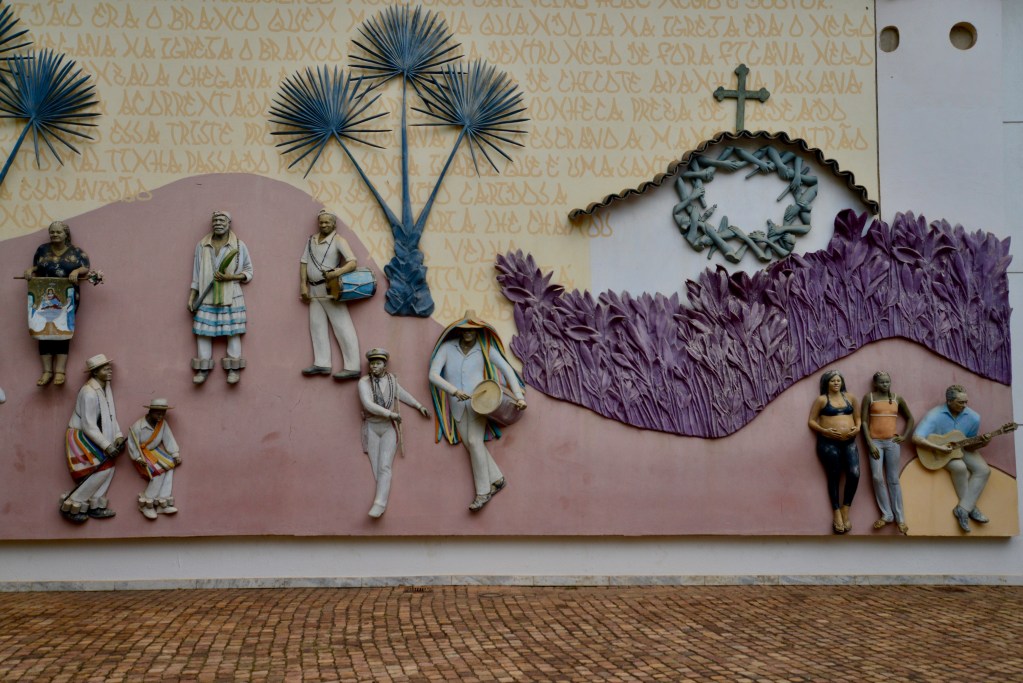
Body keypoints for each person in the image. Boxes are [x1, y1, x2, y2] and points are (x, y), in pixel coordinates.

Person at [429, 311, 526, 511]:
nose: (468, 333)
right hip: (456, 405)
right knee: (472, 445)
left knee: (474, 442)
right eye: (465, 330)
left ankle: (483, 492)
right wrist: (454, 391)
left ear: (478, 331)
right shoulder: (447, 348)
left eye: (472, 330)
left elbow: (507, 370)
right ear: (459, 330)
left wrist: (519, 396)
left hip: (480, 404)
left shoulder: (485, 348)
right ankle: (497, 479)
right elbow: (433, 374)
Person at [357, 348, 429, 518]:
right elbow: (367, 404)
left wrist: (419, 406)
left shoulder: (391, 380)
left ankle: (379, 504)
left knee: (385, 466)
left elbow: (402, 394)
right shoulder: (364, 382)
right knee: (377, 469)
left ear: (384, 365)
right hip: (372, 427)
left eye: (378, 363)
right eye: (372, 363)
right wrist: (390, 414)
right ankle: (381, 497)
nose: (374, 366)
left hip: (388, 428)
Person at [22, 220, 93, 387]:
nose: (54, 234)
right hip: (43, 297)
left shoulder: (76, 252)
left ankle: (60, 371)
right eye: (52, 232)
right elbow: (36, 266)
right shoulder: (42, 249)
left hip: (66, 297)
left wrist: (76, 271)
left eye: (58, 232)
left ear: (65, 234)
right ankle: (47, 371)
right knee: (42, 329)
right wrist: (31, 270)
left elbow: (86, 267)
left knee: (62, 329)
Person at [912, 385, 991, 533]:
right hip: (939, 451)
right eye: (960, 402)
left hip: (962, 448)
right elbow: (916, 437)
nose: (964, 405)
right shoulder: (935, 415)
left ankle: (963, 509)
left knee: (984, 470)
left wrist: (982, 443)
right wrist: (938, 448)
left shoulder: (974, 417)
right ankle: (971, 509)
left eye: (966, 402)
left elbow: (969, 445)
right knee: (960, 467)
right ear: (949, 401)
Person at [188, 210, 253, 385]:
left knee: (233, 331)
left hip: (231, 293)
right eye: (215, 220)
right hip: (206, 293)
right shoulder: (202, 245)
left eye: (221, 220)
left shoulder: (238, 245)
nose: (218, 223)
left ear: (228, 223)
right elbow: (196, 274)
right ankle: (203, 367)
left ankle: (233, 368)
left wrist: (231, 277)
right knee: (203, 331)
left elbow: (248, 271)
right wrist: (192, 296)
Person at [60, 354, 125, 523]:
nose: (109, 371)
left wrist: (117, 435)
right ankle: (73, 503)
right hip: (81, 436)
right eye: (105, 369)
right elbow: (88, 425)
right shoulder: (88, 392)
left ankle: (95, 505)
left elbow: (110, 415)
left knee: (108, 469)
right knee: (102, 469)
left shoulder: (105, 387)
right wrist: (107, 445)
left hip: (97, 435)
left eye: (109, 368)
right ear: (95, 372)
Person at [299, 210, 360, 381]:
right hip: (313, 288)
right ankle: (322, 363)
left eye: (327, 222)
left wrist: (336, 273)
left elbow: (352, 262)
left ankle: (353, 366)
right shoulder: (311, 240)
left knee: (342, 326)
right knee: (316, 325)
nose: (324, 225)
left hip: (330, 288)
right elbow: (304, 262)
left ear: (334, 224)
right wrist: (303, 285)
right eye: (321, 222)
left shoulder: (339, 240)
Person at [860, 371, 915, 535]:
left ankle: (900, 518)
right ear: (875, 384)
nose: (885, 384)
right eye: (882, 382)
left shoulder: (897, 398)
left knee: (893, 479)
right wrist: (870, 443)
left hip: (892, 443)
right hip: (875, 442)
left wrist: (904, 436)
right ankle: (887, 514)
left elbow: (910, 418)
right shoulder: (869, 398)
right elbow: (863, 422)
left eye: (887, 382)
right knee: (877, 477)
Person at [807, 369, 861, 534]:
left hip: (849, 442)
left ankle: (846, 509)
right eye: (832, 381)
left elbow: (858, 418)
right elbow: (811, 421)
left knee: (854, 473)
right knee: (834, 475)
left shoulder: (850, 397)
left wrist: (857, 428)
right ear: (827, 383)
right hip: (828, 443)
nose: (836, 383)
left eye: (838, 380)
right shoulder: (822, 400)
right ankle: (836, 512)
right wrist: (825, 431)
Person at [127, 398, 181, 520]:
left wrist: (175, 454)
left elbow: (168, 439)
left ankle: (163, 502)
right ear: (150, 411)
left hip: (155, 452)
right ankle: (147, 503)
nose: (161, 416)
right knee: (158, 474)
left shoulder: (162, 423)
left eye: (163, 413)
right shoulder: (138, 426)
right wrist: (138, 458)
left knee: (170, 467)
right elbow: (132, 444)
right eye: (158, 413)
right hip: (141, 455)